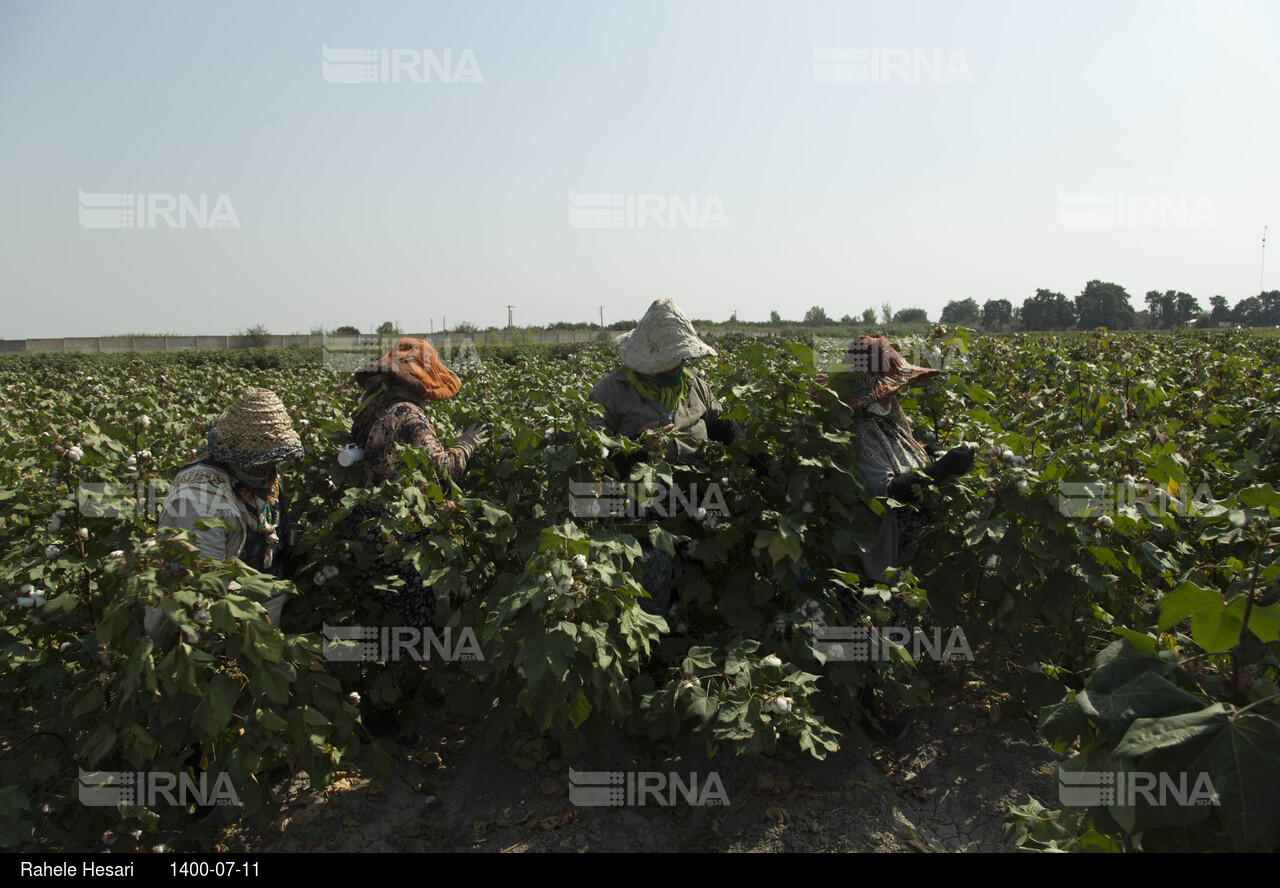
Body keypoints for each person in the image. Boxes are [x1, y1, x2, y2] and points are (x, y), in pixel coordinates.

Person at [817, 334, 975, 739]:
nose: (899, 390)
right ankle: (868, 715)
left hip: (899, 549)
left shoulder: (888, 416)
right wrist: (940, 471)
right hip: (872, 547)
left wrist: (933, 457)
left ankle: (884, 700)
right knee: (870, 629)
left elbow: (911, 461)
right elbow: (886, 490)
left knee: (892, 627)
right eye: (893, 383)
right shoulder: (859, 428)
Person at [344, 337, 487, 743]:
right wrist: (466, 446)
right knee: (411, 622)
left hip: (366, 525)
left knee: (381, 615)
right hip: (400, 533)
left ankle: (369, 698)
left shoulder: (371, 406)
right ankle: (382, 718)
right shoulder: (408, 414)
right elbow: (441, 470)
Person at [589, 299, 748, 617]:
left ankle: (693, 644)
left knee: (703, 581)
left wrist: (763, 464)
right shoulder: (610, 392)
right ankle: (653, 658)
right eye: (667, 363)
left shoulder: (696, 388)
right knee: (652, 593)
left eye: (679, 360)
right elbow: (593, 464)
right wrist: (637, 449)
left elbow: (725, 430)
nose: (676, 367)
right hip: (640, 505)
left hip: (700, 499)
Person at [146, 387, 304, 634]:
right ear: (237, 457)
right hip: (217, 616)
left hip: (263, 596)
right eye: (263, 460)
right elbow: (203, 579)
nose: (273, 465)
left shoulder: (264, 474)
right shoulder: (199, 497)